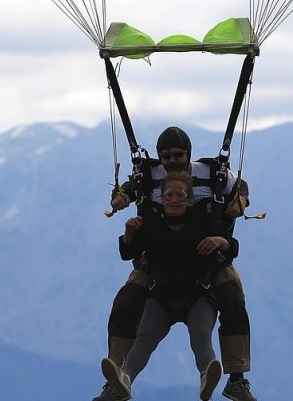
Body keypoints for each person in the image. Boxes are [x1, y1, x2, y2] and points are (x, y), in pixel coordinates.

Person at [93, 126, 257, 401]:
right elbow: (130, 189)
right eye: (166, 156)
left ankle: (237, 379)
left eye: (177, 155)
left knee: (232, 297)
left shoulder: (211, 173)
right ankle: (117, 378)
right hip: (158, 258)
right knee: (126, 303)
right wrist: (120, 199)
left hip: (208, 261)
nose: (171, 161)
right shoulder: (148, 176)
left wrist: (240, 202)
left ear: (188, 154)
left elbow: (240, 186)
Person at [101, 171, 234, 401]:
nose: (174, 200)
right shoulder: (151, 224)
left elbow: (232, 247)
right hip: (161, 296)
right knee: (145, 338)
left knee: (201, 335)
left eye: (180, 195)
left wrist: (221, 241)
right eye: (168, 195)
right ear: (161, 199)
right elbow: (127, 252)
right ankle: (125, 379)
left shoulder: (204, 221)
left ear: (189, 199)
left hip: (198, 295)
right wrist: (129, 233)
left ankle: (207, 375)